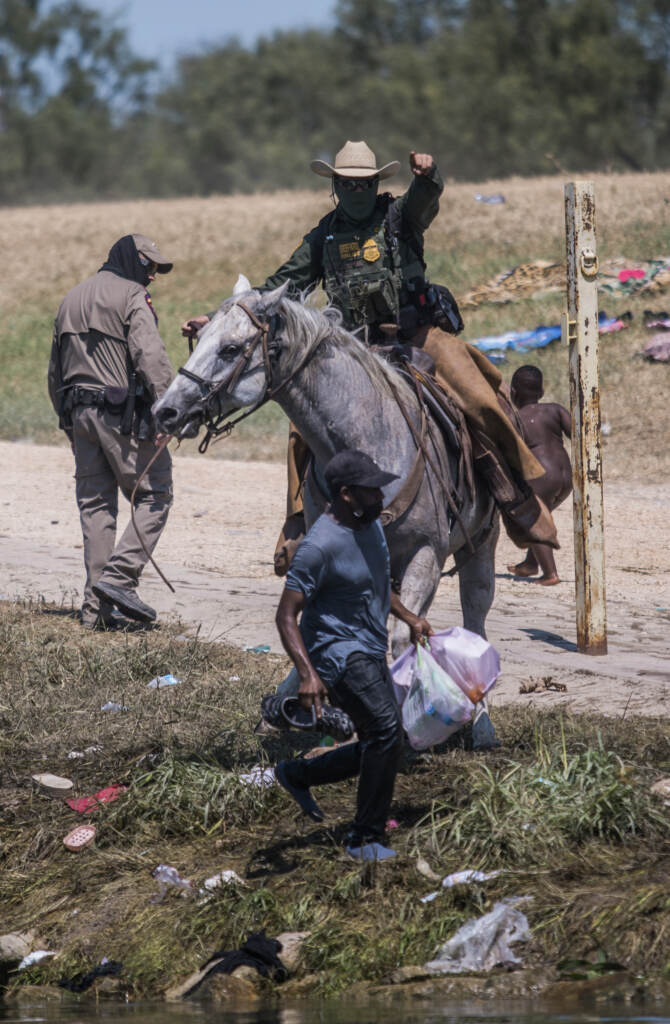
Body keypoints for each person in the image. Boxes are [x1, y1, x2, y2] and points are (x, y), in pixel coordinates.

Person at [181, 140, 557, 575]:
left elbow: (426, 197)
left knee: (477, 394)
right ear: (335, 186)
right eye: (346, 183)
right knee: (302, 423)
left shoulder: (400, 215)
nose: (355, 189)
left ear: (376, 183)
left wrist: (429, 174)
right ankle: (299, 522)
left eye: (363, 182)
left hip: (418, 335)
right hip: (352, 346)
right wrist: (213, 321)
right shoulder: (324, 234)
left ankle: (514, 497)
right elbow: (282, 282)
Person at [273, 449, 433, 862]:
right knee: (382, 729)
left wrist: (409, 617)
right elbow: (286, 615)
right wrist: (307, 675)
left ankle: (297, 774)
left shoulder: (370, 527)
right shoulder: (319, 546)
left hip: (368, 644)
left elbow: (376, 584)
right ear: (346, 494)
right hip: (335, 652)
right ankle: (363, 839)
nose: (382, 498)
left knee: (388, 739)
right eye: (372, 491)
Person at [48, 234, 175, 629]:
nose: (153, 276)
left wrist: (67, 421)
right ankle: (120, 579)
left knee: (96, 509)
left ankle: (95, 614)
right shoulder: (132, 295)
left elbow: (55, 372)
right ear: (133, 260)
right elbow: (149, 355)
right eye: (150, 267)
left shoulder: (70, 298)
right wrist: (169, 410)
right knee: (155, 493)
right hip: (120, 416)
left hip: (78, 414)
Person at [508, 366, 572, 585]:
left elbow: (513, 453)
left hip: (542, 479)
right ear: (542, 391)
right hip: (566, 477)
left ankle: (550, 573)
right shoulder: (555, 409)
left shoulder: (516, 419)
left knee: (533, 521)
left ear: (513, 393)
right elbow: (578, 433)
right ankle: (530, 564)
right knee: (542, 515)